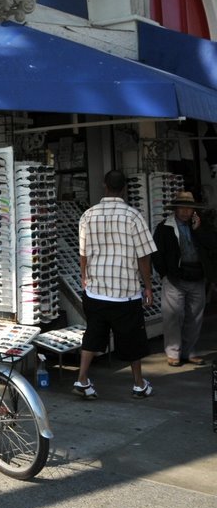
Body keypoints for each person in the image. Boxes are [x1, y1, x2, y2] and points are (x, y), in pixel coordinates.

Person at [74, 170, 157, 400]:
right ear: (124, 189)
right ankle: (139, 384)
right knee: (133, 340)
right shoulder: (133, 216)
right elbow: (143, 256)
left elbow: (83, 253)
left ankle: (81, 379)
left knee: (92, 336)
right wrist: (148, 286)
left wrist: (84, 277)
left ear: (104, 186)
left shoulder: (88, 215)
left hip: (96, 289)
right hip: (125, 292)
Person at [152, 191, 217, 367]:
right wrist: (164, 273)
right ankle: (173, 352)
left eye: (188, 208)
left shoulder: (201, 226)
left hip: (197, 276)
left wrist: (199, 230)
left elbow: (213, 245)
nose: (185, 211)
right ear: (175, 209)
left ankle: (189, 351)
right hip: (175, 277)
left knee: (194, 317)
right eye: (182, 207)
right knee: (172, 316)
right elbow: (157, 254)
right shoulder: (164, 227)